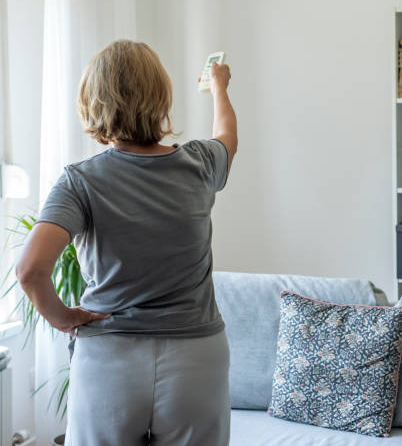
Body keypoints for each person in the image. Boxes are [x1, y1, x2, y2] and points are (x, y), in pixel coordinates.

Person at [15, 40, 238, 446]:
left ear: (92, 101)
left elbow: (30, 270)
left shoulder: (79, 182)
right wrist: (219, 87)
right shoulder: (200, 163)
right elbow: (226, 134)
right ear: (162, 96)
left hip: (109, 358)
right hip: (196, 355)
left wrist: (64, 318)